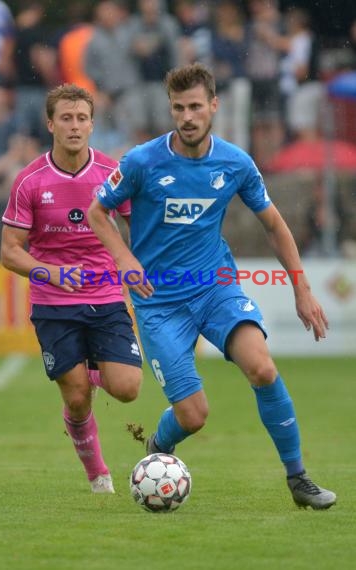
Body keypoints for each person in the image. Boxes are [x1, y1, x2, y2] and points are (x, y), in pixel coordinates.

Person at [87, 63, 336, 510]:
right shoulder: (142, 161)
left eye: (196, 106)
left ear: (213, 106)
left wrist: (302, 289)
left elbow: (275, 225)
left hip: (215, 289)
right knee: (194, 415)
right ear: (171, 110)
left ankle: (298, 478)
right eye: (179, 107)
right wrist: (124, 259)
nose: (187, 116)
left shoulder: (236, 163)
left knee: (261, 367)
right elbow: (97, 212)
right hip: (158, 303)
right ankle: (160, 443)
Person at [0, 84, 143, 494]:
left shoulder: (112, 174)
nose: (75, 126)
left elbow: (140, 229)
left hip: (105, 297)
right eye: (66, 118)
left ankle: (91, 368)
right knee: (77, 397)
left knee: (128, 389)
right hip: (53, 303)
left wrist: (138, 266)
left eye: (82, 118)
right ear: (50, 124)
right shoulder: (30, 180)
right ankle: (98, 474)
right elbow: (11, 253)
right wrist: (52, 273)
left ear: (93, 124)